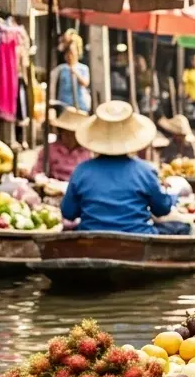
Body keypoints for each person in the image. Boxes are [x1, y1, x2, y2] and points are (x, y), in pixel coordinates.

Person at [60, 101, 183, 234]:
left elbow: (68, 213)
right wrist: (171, 196)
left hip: (91, 243)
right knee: (181, 228)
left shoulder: (81, 171)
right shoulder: (145, 171)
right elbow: (162, 209)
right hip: (139, 243)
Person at [44, 105, 92, 182]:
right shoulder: (50, 149)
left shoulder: (89, 153)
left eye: (72, 134)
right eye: (66, 132)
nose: (69, 136)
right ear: (60, 131)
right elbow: (37, 172)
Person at [52, 30, 91, 111]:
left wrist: (75, 72)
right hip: (64, 105)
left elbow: (85, 83)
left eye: (72, 52)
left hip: (80, 105)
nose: (70, 55)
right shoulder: (61, 69)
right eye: (68, 52)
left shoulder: (83, 68)